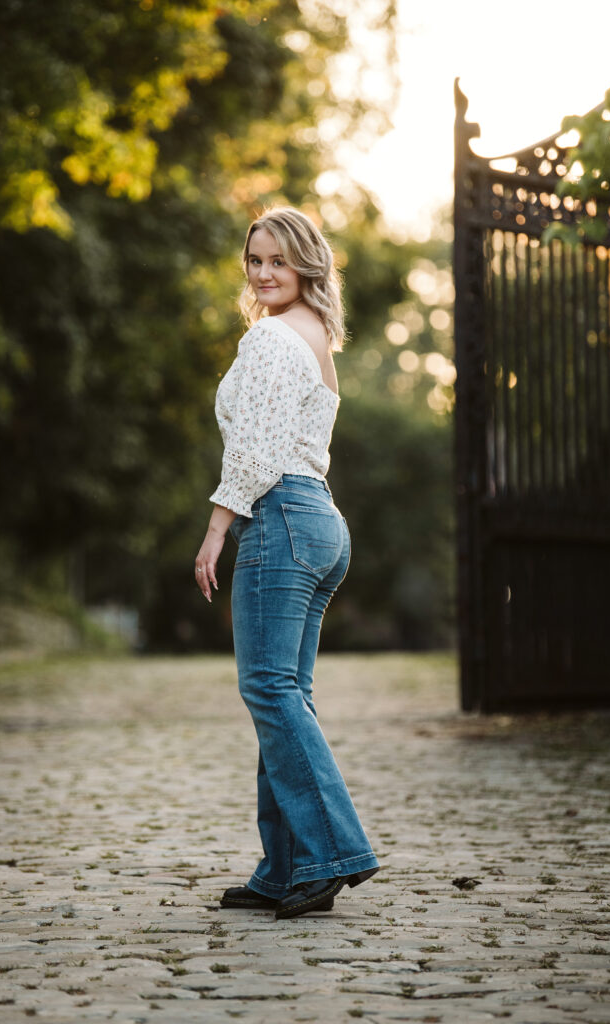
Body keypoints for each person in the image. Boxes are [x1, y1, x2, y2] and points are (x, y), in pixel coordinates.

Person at [194, 206, 379, 920]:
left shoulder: (273, 337)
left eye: (278, 261)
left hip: (282, 518)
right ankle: (285, 868)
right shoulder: (314, 336)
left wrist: (217, 529)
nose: (264, 273)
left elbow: (257, 447)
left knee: (269, 692)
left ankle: (331, 851)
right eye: (255, 261)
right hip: (316, 522)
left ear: (306, 265)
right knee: (284, 696)